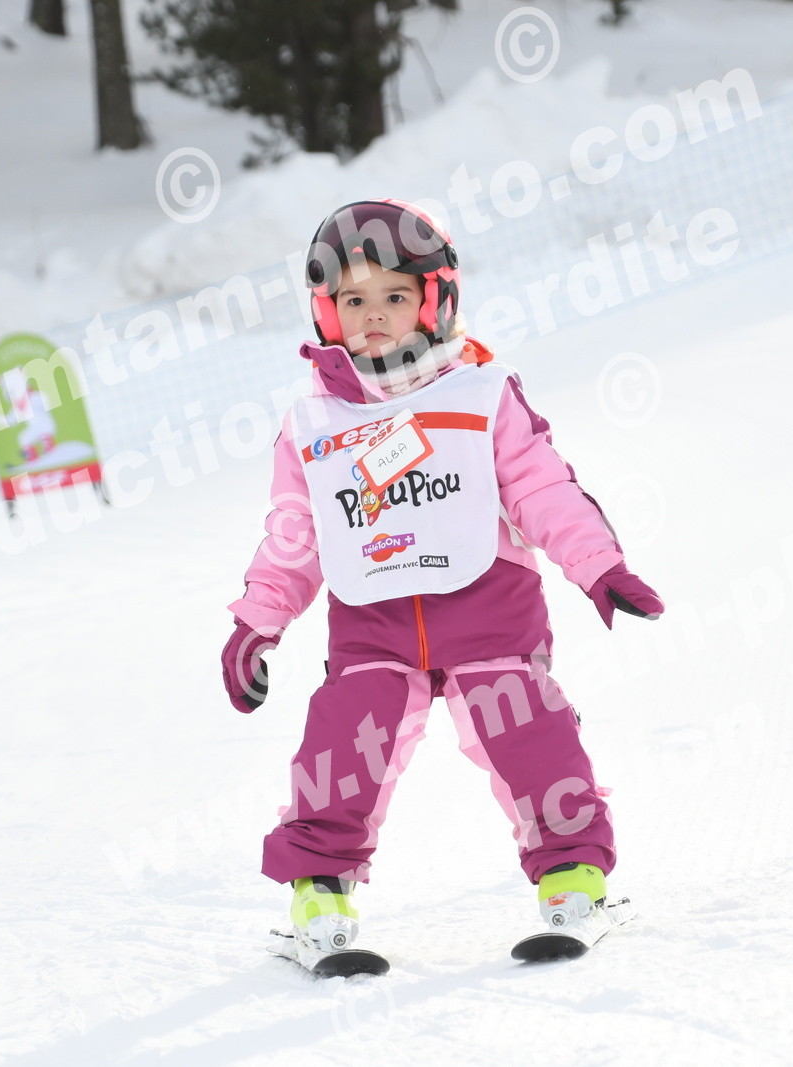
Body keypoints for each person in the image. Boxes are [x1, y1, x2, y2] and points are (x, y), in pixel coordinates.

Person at [220, 198, 664, 955]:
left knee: (532, 739)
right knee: (340, 753)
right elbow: (295, 534)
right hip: (373, 626)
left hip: (489, 614)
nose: (373, 315)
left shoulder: (480, 393)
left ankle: (575, 882)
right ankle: (319, 899)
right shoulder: (315, 423)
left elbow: (542, 488)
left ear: (434, 300)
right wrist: (257, 623)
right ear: (326, 313)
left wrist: (599, 566)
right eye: (352, 300)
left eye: (394, 296)